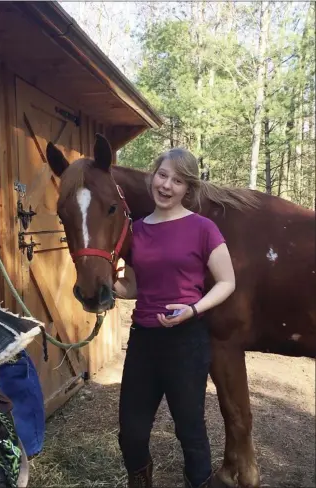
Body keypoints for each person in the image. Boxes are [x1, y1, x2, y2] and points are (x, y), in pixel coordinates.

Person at [114, 148, 236, 488]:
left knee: (190, 429)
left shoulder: (203, 228)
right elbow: (135, 287)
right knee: (132, 433)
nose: (167, 185)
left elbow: (228, 281)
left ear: (188, 188)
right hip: (144, 341)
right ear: (153, 175)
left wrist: (193, 309)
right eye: (163, 175)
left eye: (178, 180)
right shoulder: (136, 231)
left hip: (187, 342)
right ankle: (140, 480)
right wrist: (108, 288)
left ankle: (199, 482)